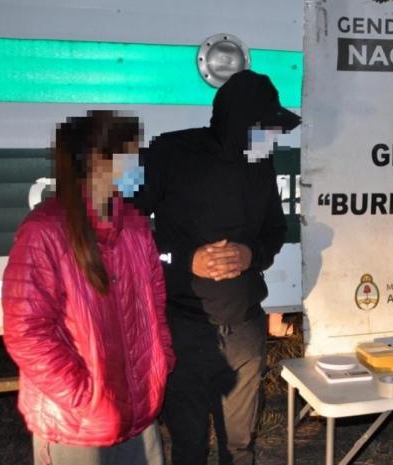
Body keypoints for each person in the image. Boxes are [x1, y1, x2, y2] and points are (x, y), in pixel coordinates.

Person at [135, 70, 300, 465]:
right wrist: (184, 259)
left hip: (244, 328)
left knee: (240, 447)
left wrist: (250, 254)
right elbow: (124, 229)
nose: (270, 139)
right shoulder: (167, 152)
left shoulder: (259, 162)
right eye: (263, 128)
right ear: (236, 121)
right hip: (184, 328)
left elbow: (275, 231)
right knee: (189, 446)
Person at [2, 111, 175, 465]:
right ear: (98, 160)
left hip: (138, 411)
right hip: (76, 425)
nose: (138, 164)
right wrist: (85, 396)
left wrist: (160, 363)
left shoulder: (135, 226)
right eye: (131, 153)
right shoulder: (44, 231)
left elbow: (154, 305)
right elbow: (26, 331)